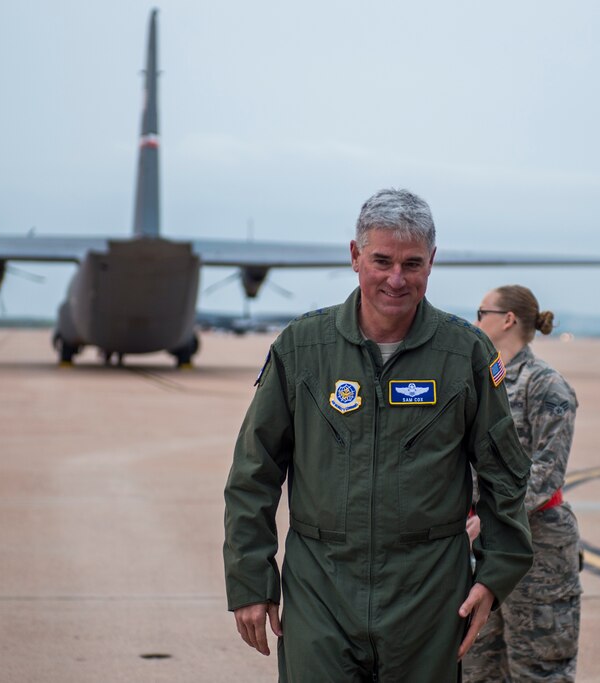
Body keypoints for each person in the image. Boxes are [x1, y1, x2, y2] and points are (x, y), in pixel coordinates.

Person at [223, 188, 534, 682]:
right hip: (321, 588)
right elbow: (253, 473)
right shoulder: (303, 349)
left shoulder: (466, 355)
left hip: (429, 595)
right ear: (354, 257)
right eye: (381, 260)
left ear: (432, 262)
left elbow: (505, 474)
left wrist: (494, 576)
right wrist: (249, 581)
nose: (396, 278)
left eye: (412, 263)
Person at [463, 285, 582, 682]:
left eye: (482, 312)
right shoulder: (483, 381)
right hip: (482, 545)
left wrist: (492, 515)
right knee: (477, 664)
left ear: (507, 319)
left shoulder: (545, 385)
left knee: (538, 666)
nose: (476, 321)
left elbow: (549, 469)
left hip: (538, 547)